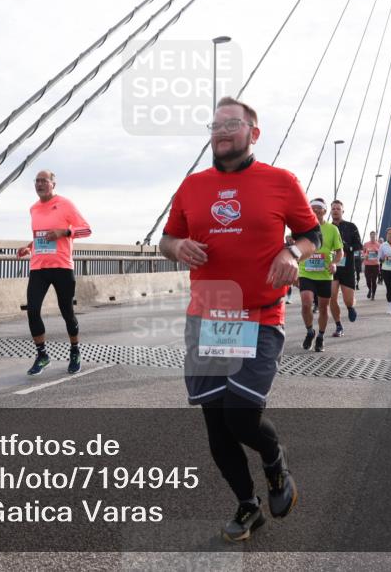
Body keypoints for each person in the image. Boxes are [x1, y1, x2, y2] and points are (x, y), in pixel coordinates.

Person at [160, 96, 321, 542]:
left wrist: (292, 252)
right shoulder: (191, 185)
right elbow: (167, 238)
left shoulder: (281, 182)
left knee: (242, 415)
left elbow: (309, 234)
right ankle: (247, 505)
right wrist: (178, 248)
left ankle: (274, 461)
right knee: (216, 421)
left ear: (254, 133)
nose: (221, 131)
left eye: (232, 123)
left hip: (260, 315)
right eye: (215, 125)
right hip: (207, 317)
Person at [16, 170, 92, 376]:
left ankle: (75, 350)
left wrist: (64, 232)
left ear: (53, 184)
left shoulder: (65, 204)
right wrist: (29, 247)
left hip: (62, 267)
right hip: (38, 267)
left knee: (67, 312)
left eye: (44, 181)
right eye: (37, 181)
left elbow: (86, 230)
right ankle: (42, 355)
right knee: (32, 310)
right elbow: (42, 236)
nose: (39, 184)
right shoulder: (33, 209)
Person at [298, 198, 343, 353]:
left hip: (324, 274)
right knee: (306, 303)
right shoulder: (302, 227)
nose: (316, 210)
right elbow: (292, 243)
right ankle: (310, 332)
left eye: (319, 208)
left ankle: (320, 337)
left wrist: (335, 263)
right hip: (306, 272)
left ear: (325, 211)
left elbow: (339, 251)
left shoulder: (332, 229)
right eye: (313, 208)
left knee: (323, 308)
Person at [329, 200, 362, 337]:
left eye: (338, 208)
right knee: (332, 297)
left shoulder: (351, 226)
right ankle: (338, 326)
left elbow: (359, 245)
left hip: (347, 267)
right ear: (330, 211)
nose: (335, 210)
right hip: (332, 267)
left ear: (343, 211)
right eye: (333, 208)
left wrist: (347, 247)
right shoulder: (326, 228)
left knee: (348, 300)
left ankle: (350, 307)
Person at [379, 227, 391, 314]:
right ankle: (390, 307)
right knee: (389, 288)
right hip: (386, 269)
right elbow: (380, 258)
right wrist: (383, 258)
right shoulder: (383, 245)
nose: (390, 235)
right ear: (386, 235)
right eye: (389, 233)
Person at [362, 231, 381, 300]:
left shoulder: (379, 245)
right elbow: (363, 252)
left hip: (375, 265)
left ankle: (373, 295)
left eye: (374, 236)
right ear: (370, 236)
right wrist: (365, 255)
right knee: (368, 280)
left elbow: (381, 254)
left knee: (374, 280)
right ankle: (370, 289)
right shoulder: (366, 244)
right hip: (367, 264)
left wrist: (377, 252)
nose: (373, 237)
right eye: (371, 236)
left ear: (376, 236)